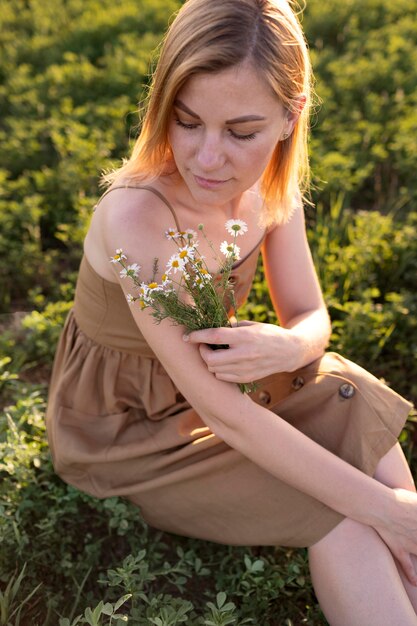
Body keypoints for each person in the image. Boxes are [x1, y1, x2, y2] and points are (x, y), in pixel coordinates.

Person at [45, 1, 417, 623]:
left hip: (213, 390)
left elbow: (311, 314)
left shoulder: (270, 188)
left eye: (241, 132)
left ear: (288, 117)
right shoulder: (139, 218)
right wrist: (381, 509)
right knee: (340, 513)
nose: (207, 158)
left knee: (346, 388)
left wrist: (293, 347)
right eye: (187, 122)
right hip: (127, 430)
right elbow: (231, 417)